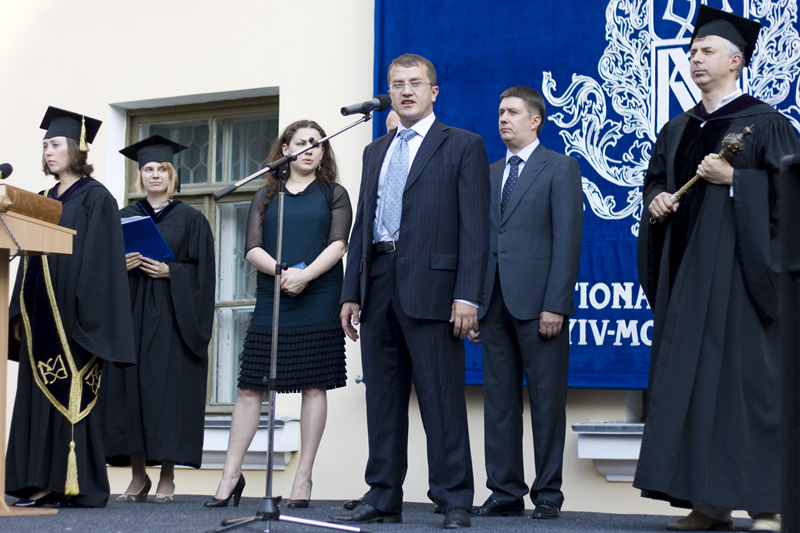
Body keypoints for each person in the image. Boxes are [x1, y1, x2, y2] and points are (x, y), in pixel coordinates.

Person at [634, 6, 800, 532]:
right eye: (691, 52)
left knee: (748, 389)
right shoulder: (678, 129)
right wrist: (657, 199)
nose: (694, 59)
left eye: (706, 51)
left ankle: (769, 503)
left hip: (742, 280)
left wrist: (736, 180)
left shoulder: (767, 123)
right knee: (694, 387)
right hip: (687, 275)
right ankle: (708, 502)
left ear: (736, 61)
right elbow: (656, 179)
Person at [332, 53, 490, 529]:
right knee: (381, 397)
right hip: (377, 280)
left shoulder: (463, 145)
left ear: (433, 92)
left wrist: (468, 295)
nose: (405, 91)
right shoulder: (374, 151)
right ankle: (383, 495)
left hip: (435, 287)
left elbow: (476, 229)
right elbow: (363, 222)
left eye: (415, 83)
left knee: (441, 397)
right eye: (397, 84)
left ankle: (454, 498)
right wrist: (351, 291)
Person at [206, 120, 351, 508]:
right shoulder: (267, 194)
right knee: (250, 386)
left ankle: (303, 479)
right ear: (285, 149)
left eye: (316, 143)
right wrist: (282, 273)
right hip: (274, 292)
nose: (310, 148)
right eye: (302, 142)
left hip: (319, 293)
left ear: (323, 152)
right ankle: (229, 476)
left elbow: (338, 244)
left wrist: (305, 276)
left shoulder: (334, 194)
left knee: (314, 384)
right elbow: (252, 247)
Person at [6, 107, 136, 508]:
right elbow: (25, 254)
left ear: (77, 149)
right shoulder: (41, 200)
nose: (48, 151)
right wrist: (17, 311)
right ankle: (34, 479)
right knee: (36, 396)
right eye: (45, 145)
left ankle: (66, 483)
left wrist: (86, 314)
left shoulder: (98, 198)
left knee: (69, 396)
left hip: (76, 316)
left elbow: (101, 262)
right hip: (39, 314)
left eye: (56, 144)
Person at [468, 86, 582, 520]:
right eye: (500, 112)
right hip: (493, 303)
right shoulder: (490, 172)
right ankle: (504, 492)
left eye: (512, 112)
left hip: (539, 305)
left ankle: (548, 494)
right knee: (498, 402)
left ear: (535, 120)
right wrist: (475, 303)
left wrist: (556, 304)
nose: (503, 119)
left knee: (547, 402)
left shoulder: (560, 167)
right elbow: (480, 242)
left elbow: (567, 240)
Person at [103, 135, 215, 503]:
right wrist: (119, 265)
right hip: (131, 315)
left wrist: (172, 272)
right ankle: (138, 477)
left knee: (169, 394)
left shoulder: (192, 219)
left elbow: (203, 275)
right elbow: (101, 269)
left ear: (171, 175)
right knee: (130, 392)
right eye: (148, 169)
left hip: (172, 317)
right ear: (140, 175)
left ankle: (167, 476)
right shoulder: (122, 219)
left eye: (162, 169)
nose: (155, 175)